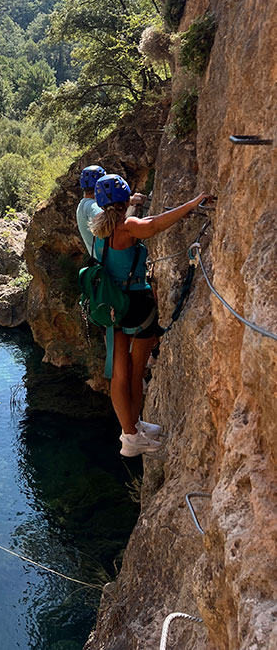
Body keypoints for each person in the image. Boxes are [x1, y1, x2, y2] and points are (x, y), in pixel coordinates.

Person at [90, 173, 214, 457]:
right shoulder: (128, 226)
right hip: (137, 305)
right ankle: (133, 434)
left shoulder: (100, 227)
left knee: (118, 374)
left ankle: (131, 432)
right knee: (136, 371)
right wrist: (191, 203)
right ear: (124, 200)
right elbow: (155, 225)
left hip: (112, 308)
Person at [76, 165, 147, 255]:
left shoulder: (83, 205)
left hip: (103, 261)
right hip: (112, 261)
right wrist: (131, 202)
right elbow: (113, 223)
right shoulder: (92, 206)